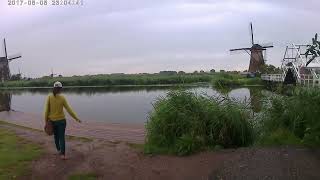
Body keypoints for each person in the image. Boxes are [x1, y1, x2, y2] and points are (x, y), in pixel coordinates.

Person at [44, 81, 81, 160]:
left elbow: (46, 110)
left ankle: (58, 150)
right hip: (62, 121)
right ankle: (63, 155)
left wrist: (46, 121)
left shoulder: (49, 97)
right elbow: (69, 110)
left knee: (56, 137)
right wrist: (76, 118)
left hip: (52, 121)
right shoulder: (62, 98)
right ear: (61, 89)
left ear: (53, 88)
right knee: (61, 137)